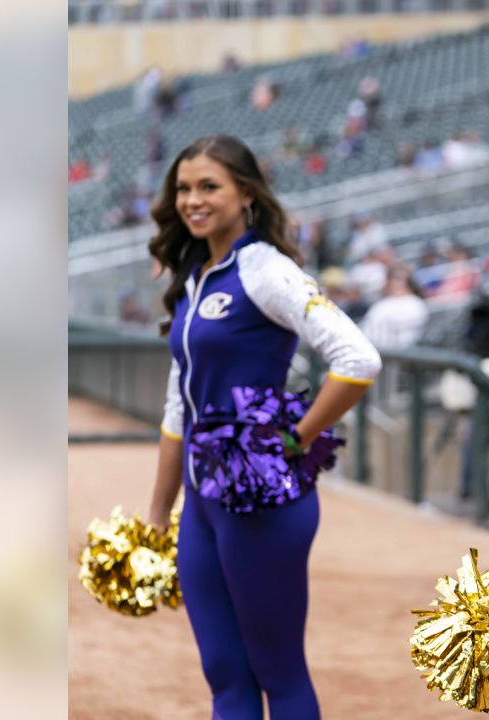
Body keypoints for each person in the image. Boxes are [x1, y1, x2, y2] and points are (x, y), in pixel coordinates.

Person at [145, 135, 381, 720]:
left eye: (209, 187)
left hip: (258, 498)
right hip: (202, 502)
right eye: (183, 188)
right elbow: (181, 406)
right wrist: (157, 513)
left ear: (245, 193)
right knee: (225, 673)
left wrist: (295, 438)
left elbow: (358, 359)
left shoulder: (266, 270)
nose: (193, 200)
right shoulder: (197, 277)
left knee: (277, 669)